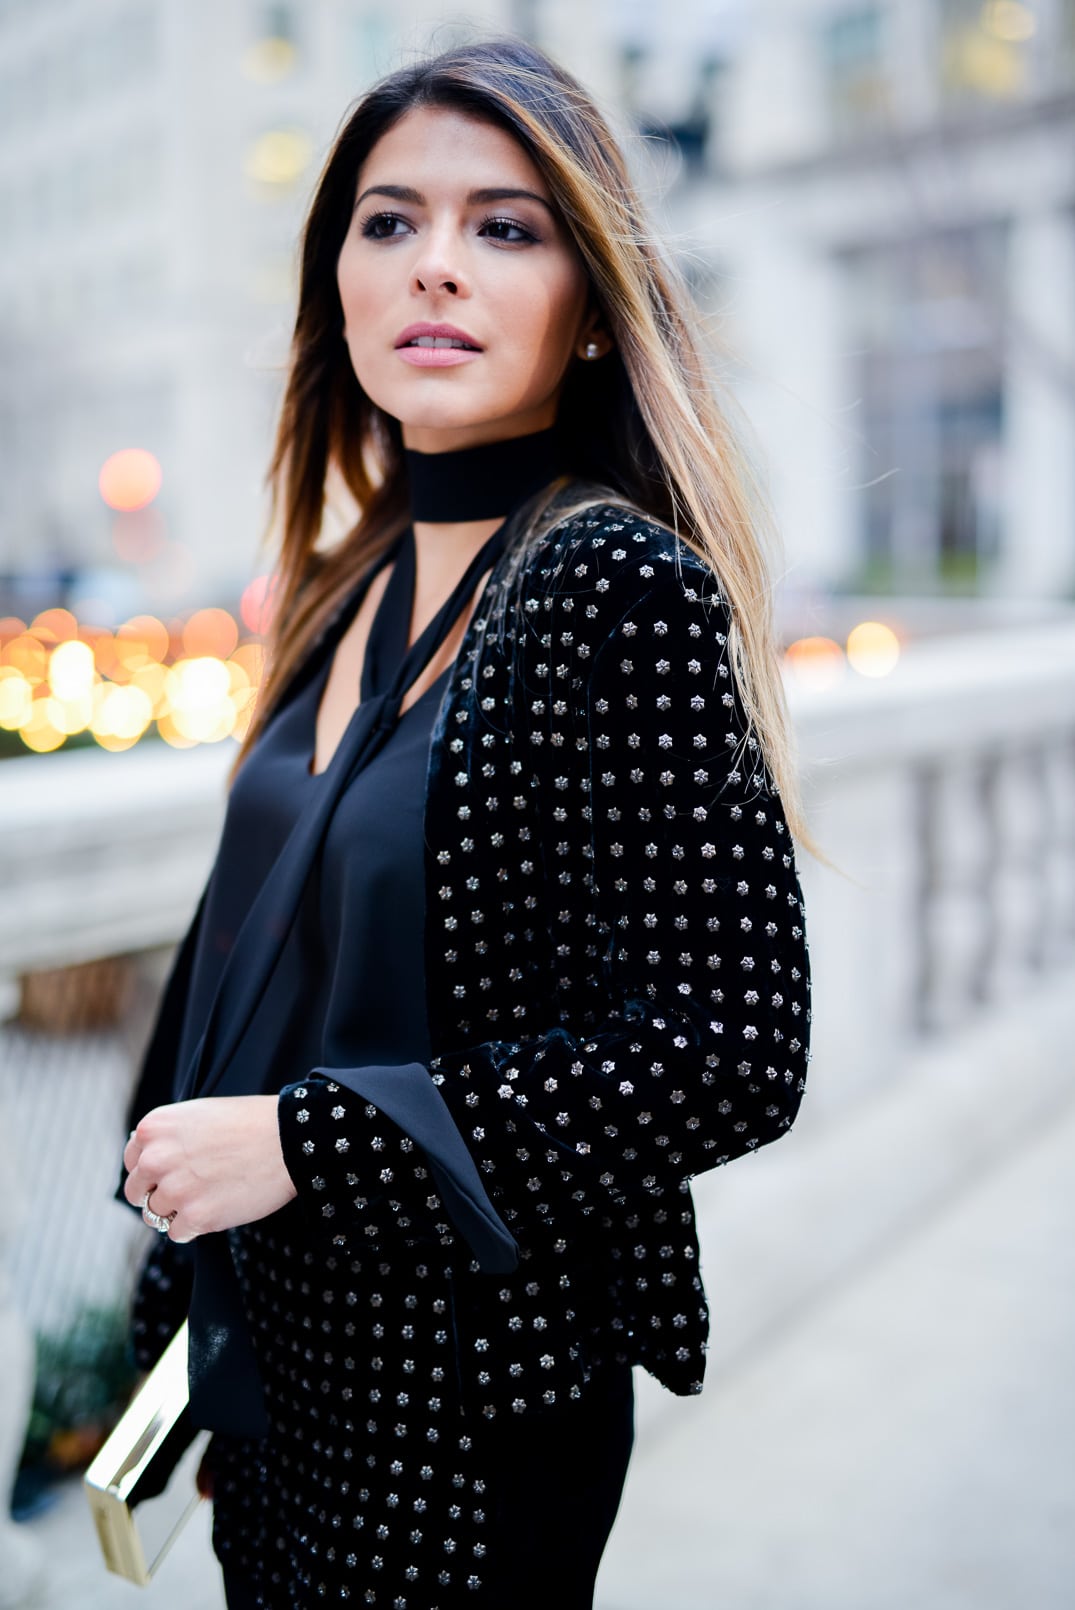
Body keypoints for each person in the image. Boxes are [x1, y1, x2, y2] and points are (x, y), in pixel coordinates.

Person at [117, 35, 815, 1610]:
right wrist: (171, 1286)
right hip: (275, 1376)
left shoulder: (608, 583)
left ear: (586, 304)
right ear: (337, 288)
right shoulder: (343, 585)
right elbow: (252, 958)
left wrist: (307, 1142)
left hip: (464, 1404)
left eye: (505, 226)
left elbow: (731, 1045)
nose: (437, 266)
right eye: (390, 222)